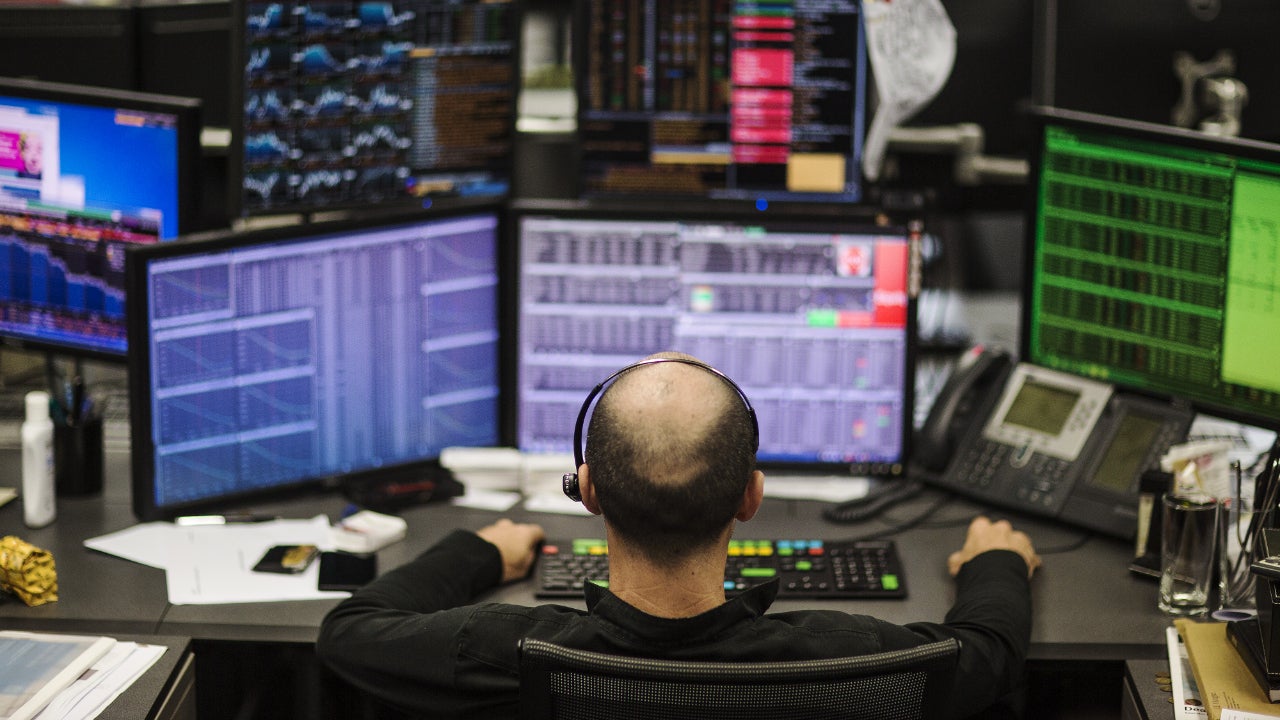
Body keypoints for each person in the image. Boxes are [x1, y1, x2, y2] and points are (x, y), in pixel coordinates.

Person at [317, 352, 1041, 719]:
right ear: (752, 496)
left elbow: (350, 631)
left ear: (588, 492)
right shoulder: (849, 658)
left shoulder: (509, 649)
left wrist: (475, 549)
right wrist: (999, 565)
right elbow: (987, 655)